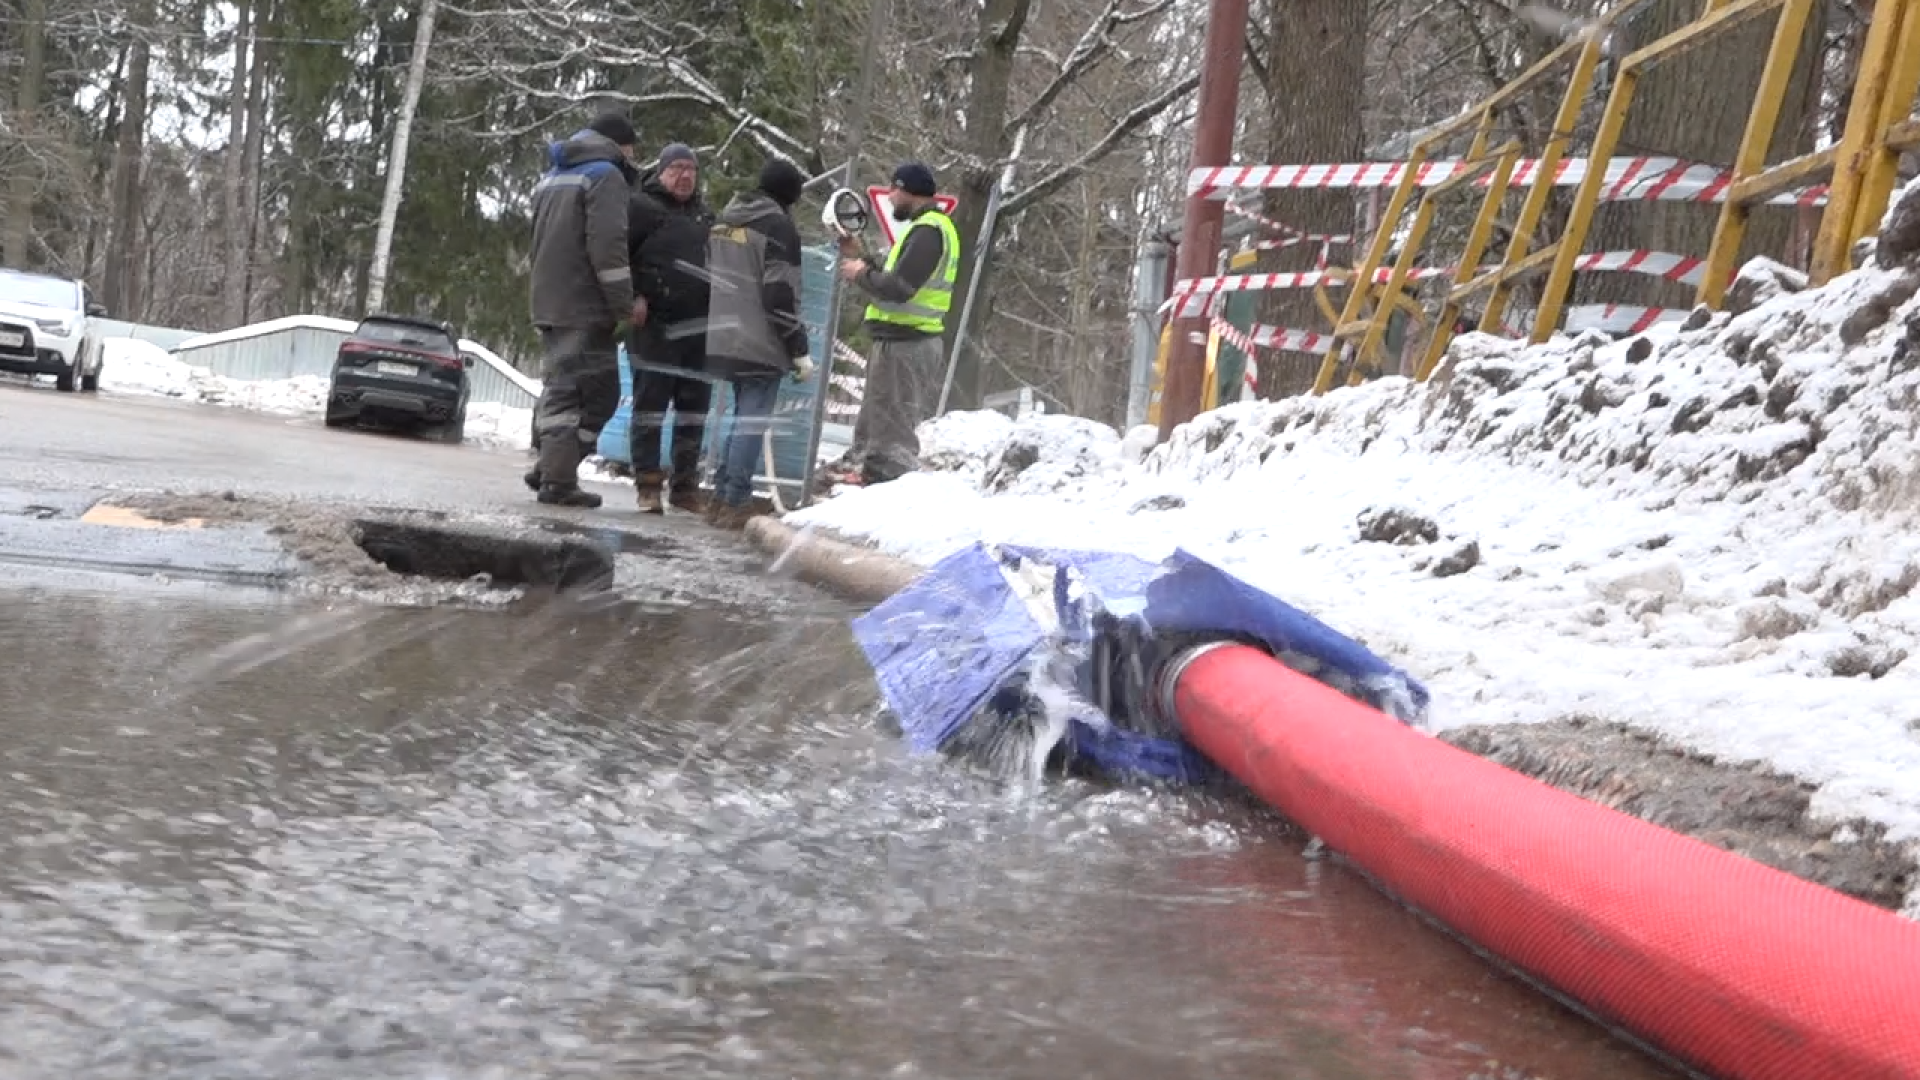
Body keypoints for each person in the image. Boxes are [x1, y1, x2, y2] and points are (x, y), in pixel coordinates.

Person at [524, 110, 644, 508]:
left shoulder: (553, 176)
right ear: (620, 145)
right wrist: (624, 308)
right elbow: (608, 250)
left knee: (565, 387)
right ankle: (557, 478)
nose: (634, 158)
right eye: (632, 150)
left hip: (551, 301)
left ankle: (550, 467)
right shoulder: (604, 175)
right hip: (584, 305)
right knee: (587, 394)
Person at [702, 158, 815, 530]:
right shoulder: (778, 227)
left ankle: (719, 498)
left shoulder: (724, 221)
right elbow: (779, 294)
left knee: (739, 418)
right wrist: (798, 348)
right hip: (761, 341)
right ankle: (735, 501)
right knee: (750, 422)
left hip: (723, 335)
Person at [833, 161, 959, 487]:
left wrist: (860, 273)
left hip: (908, 343)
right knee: (880, 423)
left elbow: (899, 289)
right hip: (901, 340)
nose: (889, 198)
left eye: (893, 190)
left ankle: (886, 487)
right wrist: (864, 258)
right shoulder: (923, 230)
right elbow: (893, 278)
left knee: (893, 431)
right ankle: (867, 477)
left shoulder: (929, 231)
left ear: (907, 191)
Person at [626, 143, 717, 514]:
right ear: (661, 172)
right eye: (677, 168)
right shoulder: (641, 208)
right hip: (656, 326)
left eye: (691, 169)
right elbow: (617, 254)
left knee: (693, 410)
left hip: (700, 328)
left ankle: (685, 488)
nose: (685, 176)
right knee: (651, 406)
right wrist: (632, 295)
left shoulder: (705, 217)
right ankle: (648, 486)